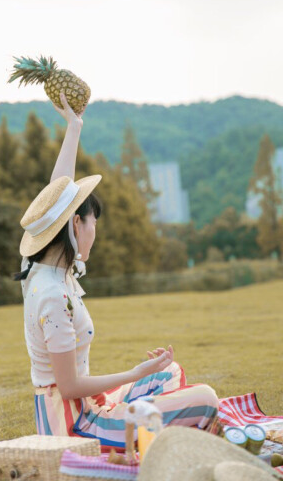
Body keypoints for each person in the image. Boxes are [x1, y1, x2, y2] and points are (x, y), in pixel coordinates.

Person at [15, 93, 219, 450]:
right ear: (76, 224)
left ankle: (147, 441)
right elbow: (69, 388)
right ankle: (151, 448)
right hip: (73, 424)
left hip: (88, 407)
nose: (97, 231)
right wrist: (136, 373)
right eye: (94, 222)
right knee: (204, 400)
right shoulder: (52, 295)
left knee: (169, 373)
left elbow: (55, 194)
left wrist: (74, 128)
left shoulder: (42, 268)